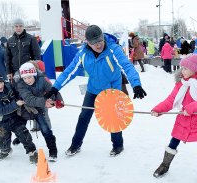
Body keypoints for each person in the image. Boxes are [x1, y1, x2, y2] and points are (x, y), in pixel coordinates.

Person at [44, 25, 147, 157]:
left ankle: (118, 145)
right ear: (88, 42)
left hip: (111, 90)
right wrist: (55, 88)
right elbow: (69, 72)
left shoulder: (113, 50)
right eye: (94, 43)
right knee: (83, 117)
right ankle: (75, 144)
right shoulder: (83, 54)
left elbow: (126, 66)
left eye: (100, 41)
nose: (98, 45)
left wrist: (136, 85)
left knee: (113, 117)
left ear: (103, 38)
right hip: (93, 89)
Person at [151, 52, 197, 182]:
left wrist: (191, 108)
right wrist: (158, 109)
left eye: (186, 68)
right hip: (184, 119)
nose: (182, 70)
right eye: (182, 67)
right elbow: (171, 100)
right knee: (173, 142)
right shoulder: (181, 83)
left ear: (195, 69)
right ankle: (165, 164)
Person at [0, 71, 38, 163]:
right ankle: (5, 150)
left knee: (23, 134)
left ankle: (32, 151)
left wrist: (22, 98)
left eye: (1, 82)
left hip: (15, 116)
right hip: (2, 120)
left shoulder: (8, 86)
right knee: (3, 137)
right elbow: (1, 110)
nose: (0, 85)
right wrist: (16, 104)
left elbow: (17, 92)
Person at [16, 62, 63, 161]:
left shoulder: (42, 79)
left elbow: (52, 90)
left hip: (39, 108)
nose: (27, 80)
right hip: (24, 108)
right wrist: (44, 102)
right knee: (20, 127)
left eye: (29, 77)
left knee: (45, 129)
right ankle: (20, 139)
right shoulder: (21, 84)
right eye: (24, 78)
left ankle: (53, 150)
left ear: (34, 74)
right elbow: (29, 99)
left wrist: (58, 100)